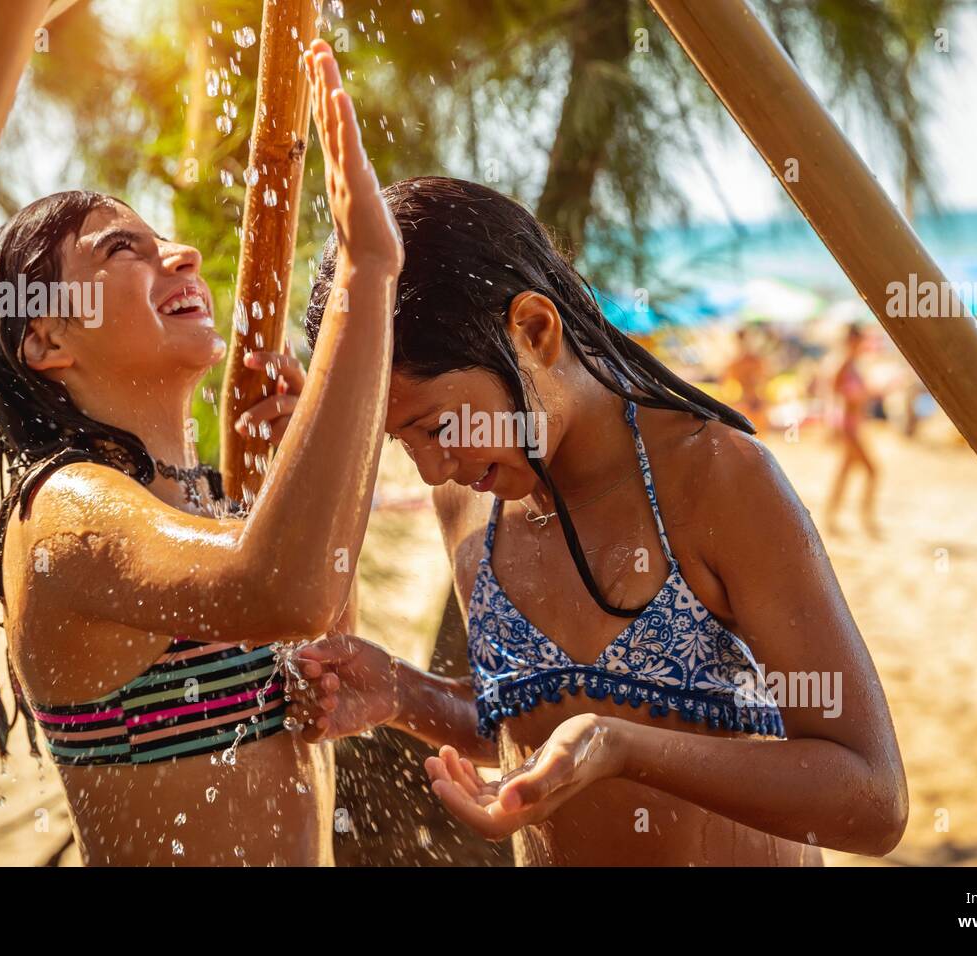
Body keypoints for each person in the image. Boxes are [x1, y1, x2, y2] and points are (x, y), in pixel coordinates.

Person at [286, 172, 908, 866]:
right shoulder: (471, 497)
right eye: (402, 442)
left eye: (435, 426)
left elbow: (872, 799)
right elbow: (524, 724)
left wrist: (620, 748)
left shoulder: (714, 479)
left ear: (534, 329)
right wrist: (403, 693)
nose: (432, 469)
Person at [0, 40, 403, 865]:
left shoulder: (206, 498)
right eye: (122, 250)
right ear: (47, 337)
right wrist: (365, 277)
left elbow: (321, 641)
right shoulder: (66, 511)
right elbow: (283, 589)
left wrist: (295, 468)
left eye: (162, 239)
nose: (181, 254)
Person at [825, 322, 880, 537]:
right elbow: (834, 397)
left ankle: (832, 518)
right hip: (848, 427)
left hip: (852, 426)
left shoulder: (852, 364)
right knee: (872, 471)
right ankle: (866, 519)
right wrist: (833, 428)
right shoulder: (844, 364)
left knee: (845, 473)